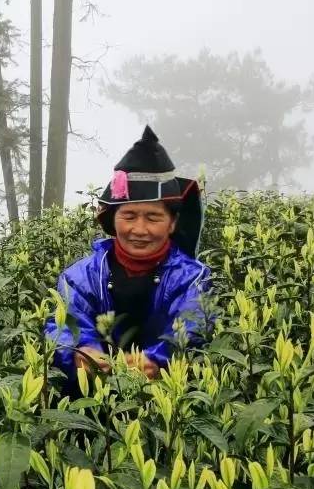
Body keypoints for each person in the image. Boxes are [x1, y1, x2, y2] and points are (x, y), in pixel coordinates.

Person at [46, 126, 212, 394]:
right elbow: (65, 325)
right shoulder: (80, 277)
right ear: (113, 220)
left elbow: (194, 329)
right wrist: (83, 352)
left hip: (166, 407)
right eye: (129, 216)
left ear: (172, 223)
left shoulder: (192, 278)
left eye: (153, 217)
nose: (140, 229)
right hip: (92, 405)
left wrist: (159, 360)